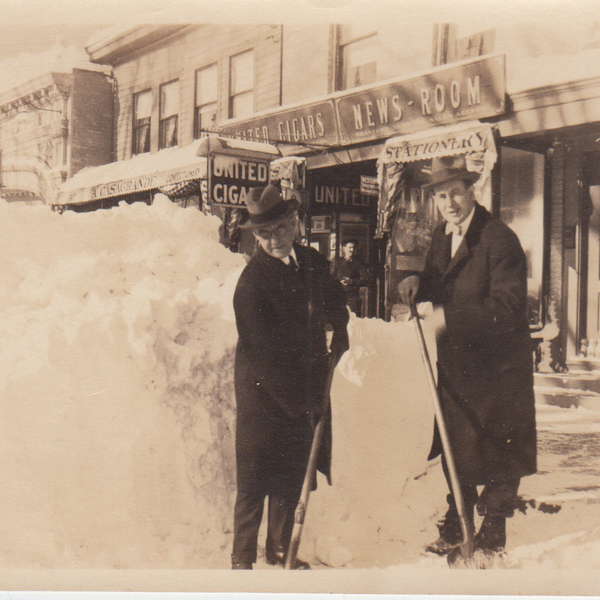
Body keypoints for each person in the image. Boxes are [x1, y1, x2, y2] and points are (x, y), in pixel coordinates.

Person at [398, 156, 537, 561]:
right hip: (460, 368)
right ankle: (458, 521)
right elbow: (439, 279)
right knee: (457, 447)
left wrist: (448, 318)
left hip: (497, 369)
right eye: (442, 196)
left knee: (496, 451)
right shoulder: (444, 235)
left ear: (471, 191)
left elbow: (509, 308)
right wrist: (415, 281)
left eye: (456, 193)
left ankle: (493, 533)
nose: (450, 202)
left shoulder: (498, 238)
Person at [231, 184, 349, 570]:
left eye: (281, 229)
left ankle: (281, 548)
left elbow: (334, 298)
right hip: (264, 393)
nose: (274, 240)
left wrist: (341, 328)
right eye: (264, 234)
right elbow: (263, 355)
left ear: (295, 223)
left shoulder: (311, 262)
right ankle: (242, 560)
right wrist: (301, 402)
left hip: (303, 386)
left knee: (292, 470)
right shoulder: (251, 285)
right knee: (254, 478)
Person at [331, 239, 369, 315]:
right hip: (339, 297)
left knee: (353, 320)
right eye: (350, 247)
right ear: (344, 248)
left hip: (353, 298)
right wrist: (338, 282)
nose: (352, 250)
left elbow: (365, 279)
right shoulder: (338, 262)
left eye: (353, 248)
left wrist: (352, 281)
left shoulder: (359, 263)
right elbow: (331, 278)